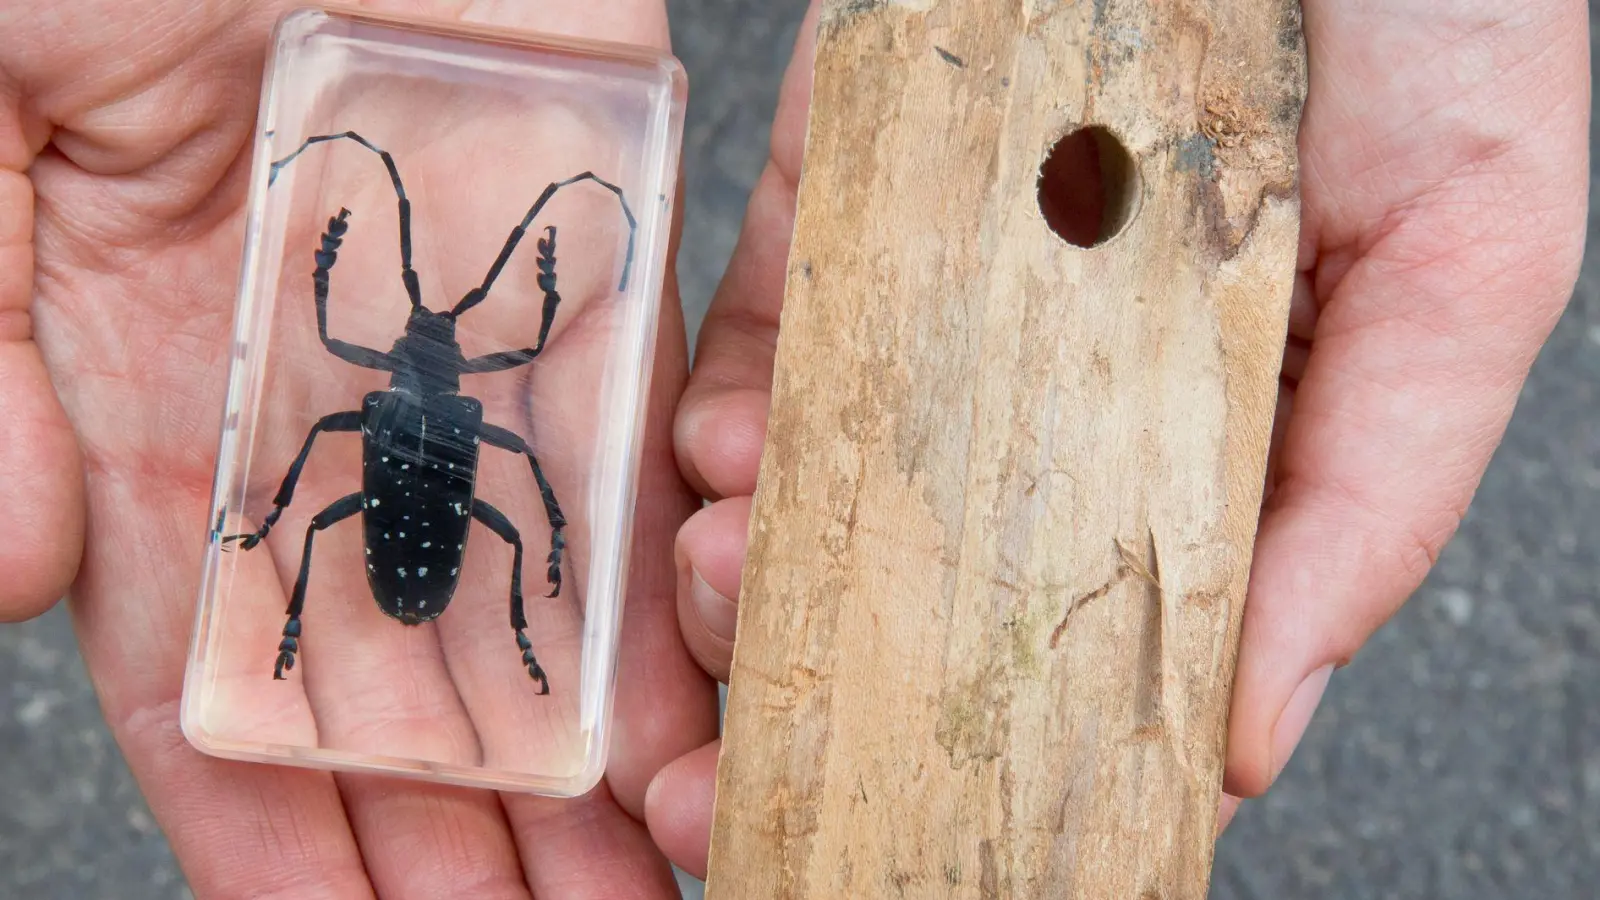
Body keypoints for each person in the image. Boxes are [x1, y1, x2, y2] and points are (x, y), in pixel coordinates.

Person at [0, 0, 1586, 894]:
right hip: (447, 517)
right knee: (490, 530)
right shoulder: (464, 398)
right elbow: (528, 480)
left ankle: (318, 614)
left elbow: (483, 460)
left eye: (452, 331)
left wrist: (404, 507)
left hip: (407, 510)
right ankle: (365, 625)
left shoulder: (381, 388)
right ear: (447, 366)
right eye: (441, 332)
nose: (428, 340)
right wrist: (537, 524)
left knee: (417, 525)